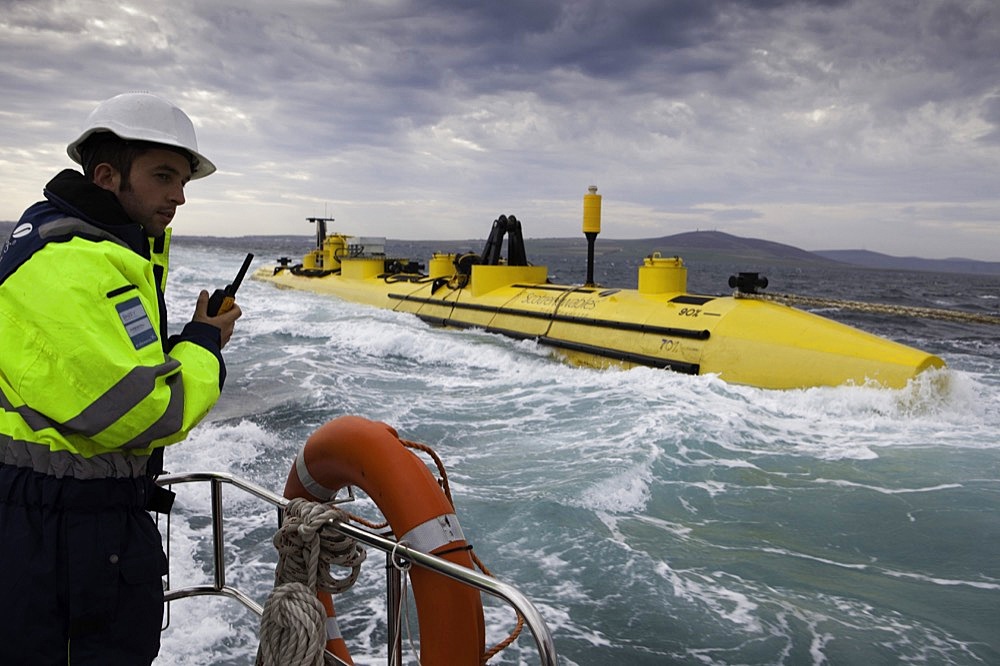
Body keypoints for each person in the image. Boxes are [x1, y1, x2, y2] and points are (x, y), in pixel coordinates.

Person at [0, 92, 242, 664]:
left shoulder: (101, 251)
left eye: (183, 180)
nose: (179, 197)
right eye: (163, 176)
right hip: (60, 534)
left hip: (76, 521)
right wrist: (205, 347)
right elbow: (142, 413)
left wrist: (188, 338)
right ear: (108, 175)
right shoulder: (73, 265)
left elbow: (108, 370)